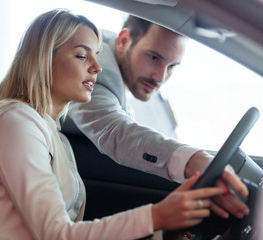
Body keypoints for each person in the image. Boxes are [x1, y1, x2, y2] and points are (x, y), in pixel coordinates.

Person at [0, 9, 230, 240]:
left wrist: (161, 231)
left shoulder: (50, 132)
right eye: (82, 56)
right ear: (44, 58)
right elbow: (57, 234)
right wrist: (157, 216)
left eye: (97, 55)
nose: (97, 67)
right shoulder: (17, 124)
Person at [65, 15, 250, 221]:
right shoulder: (97, 69)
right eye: (154, 58)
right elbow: (114, 130)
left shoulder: (111, 58)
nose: (161, 77)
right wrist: (192, 160)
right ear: (124, 41)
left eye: (172, 66)